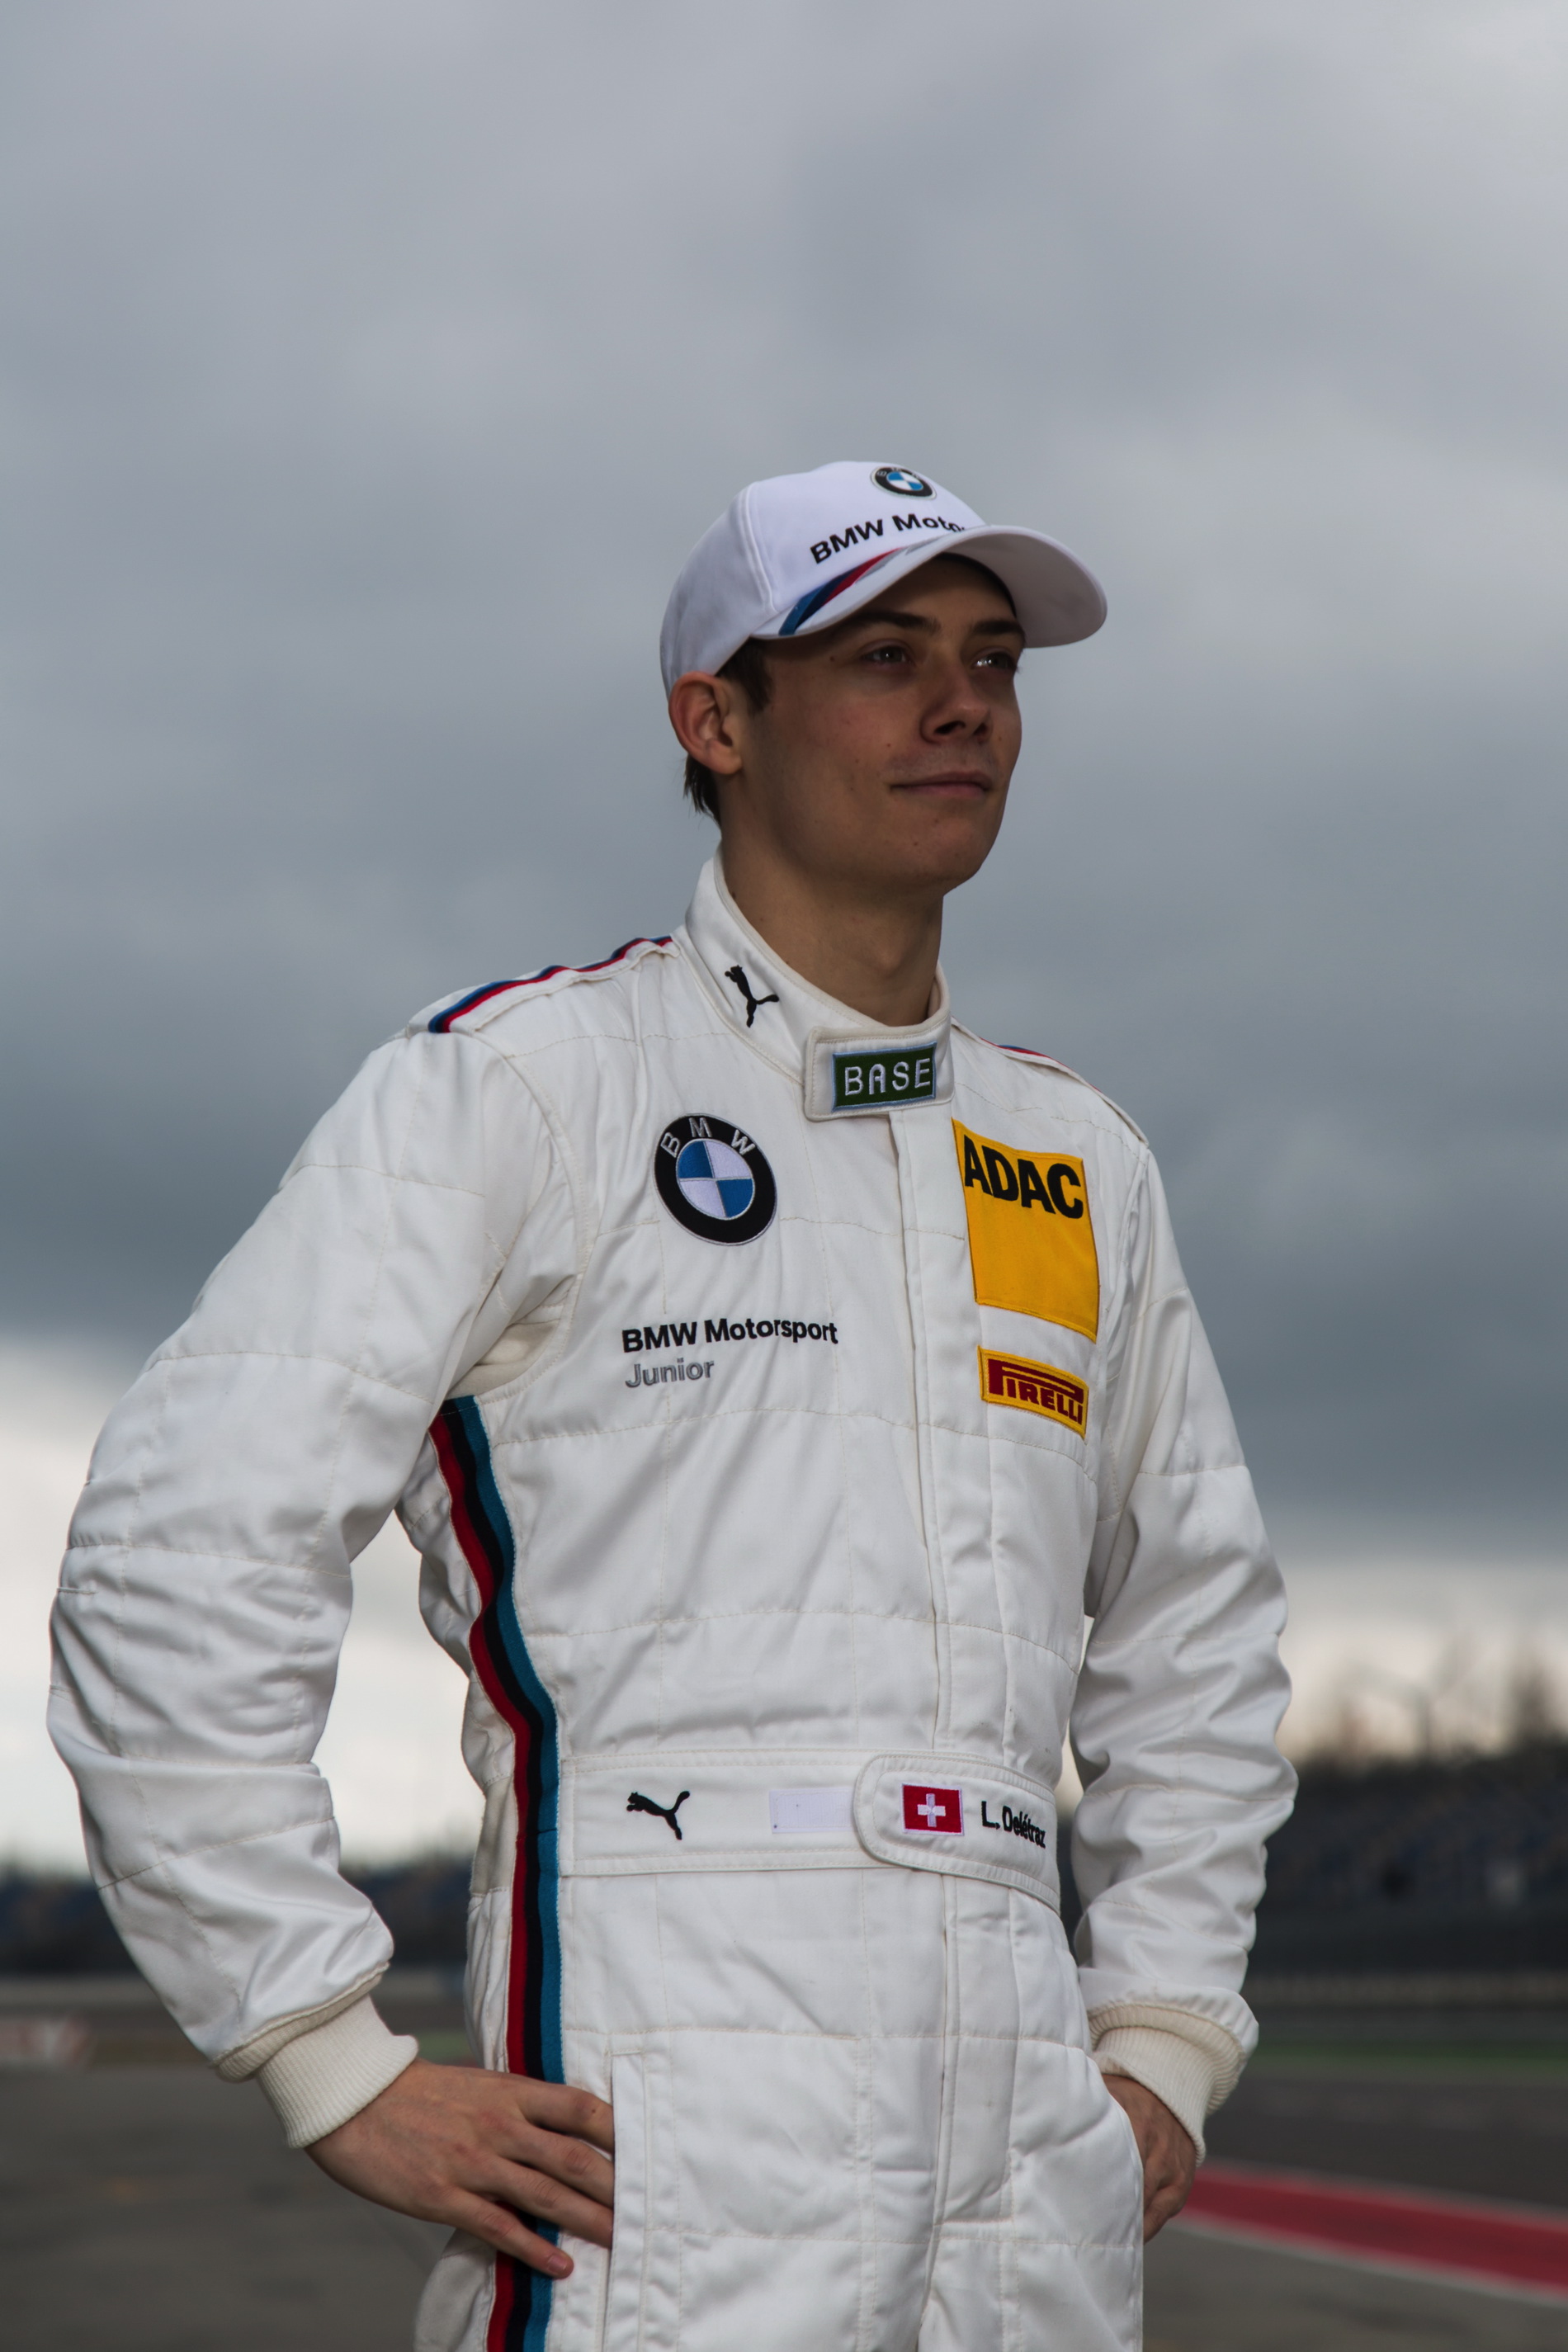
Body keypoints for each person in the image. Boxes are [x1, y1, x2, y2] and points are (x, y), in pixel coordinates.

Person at [51, 460, 1294, 2352]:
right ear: (714, 720)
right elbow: (177, 1546)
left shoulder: (1072, 1162)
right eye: (883, 657)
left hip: (1023, 2206)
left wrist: (1162, 2039)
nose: (961, 705)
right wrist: (321, 2048)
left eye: (990, 661)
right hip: (658, 2171)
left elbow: (1193, 1642)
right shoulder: (523, 1090)